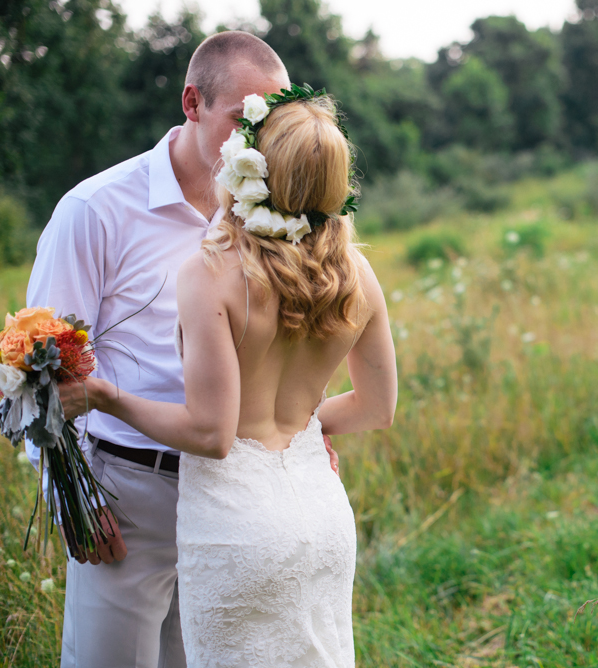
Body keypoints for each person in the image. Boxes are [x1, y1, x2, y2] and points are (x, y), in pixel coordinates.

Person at [28, 31, 337, 667]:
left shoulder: (271, 215)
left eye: (270, 121)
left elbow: (290, 337)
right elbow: (40, 367)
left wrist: (304, 434)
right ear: (192, 103)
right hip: (128, 492)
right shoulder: (95, 210)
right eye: (241, 120)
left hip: (234, 497)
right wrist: (70, 495)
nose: (258, 140)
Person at [60, 85, 397, 666]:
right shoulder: (355, 272)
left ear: (250, 169)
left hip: (235, 527)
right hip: (323, 519)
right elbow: (376, 408)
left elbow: (213, 435)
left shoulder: (210, 273)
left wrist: (104, 397)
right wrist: (299, 434)